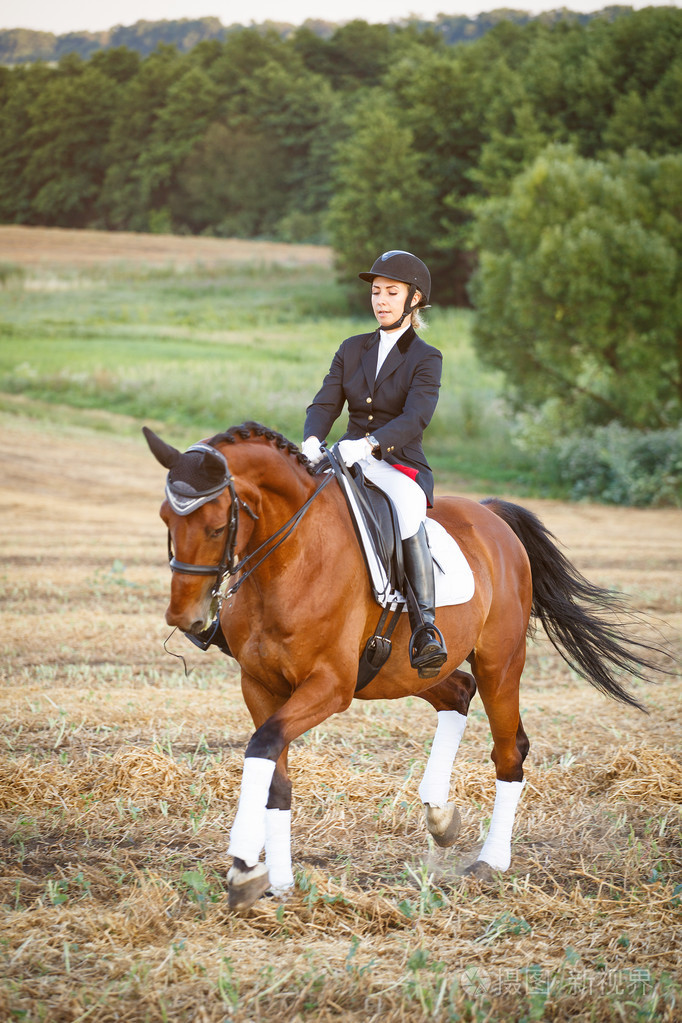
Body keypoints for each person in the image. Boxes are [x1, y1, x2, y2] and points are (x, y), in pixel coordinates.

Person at [301, 249, 447, 679]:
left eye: (392, 292)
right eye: (377, 292)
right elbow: (327, 400)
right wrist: (312, 438)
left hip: (395, 463)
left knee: (406, 511)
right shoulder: (352, 348)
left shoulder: (426, 357)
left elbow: (415, 417)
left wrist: (368, 446)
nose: (381, 300)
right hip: (343, 457)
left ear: (413, 299)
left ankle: (425, 627)